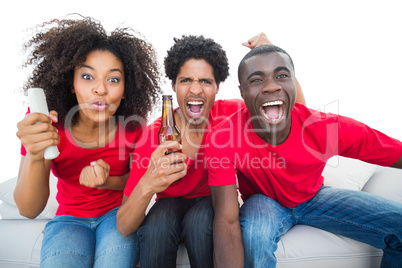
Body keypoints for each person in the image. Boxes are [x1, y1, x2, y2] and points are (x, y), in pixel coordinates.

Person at [116, 33, 305, 267]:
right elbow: (124, 226)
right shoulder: (154, 135)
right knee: (157, 224)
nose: (195, 90)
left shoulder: (231, 115)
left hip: (212, 202)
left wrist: (271, 51)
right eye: (186, 80)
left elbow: (296, 115)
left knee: (199, 221)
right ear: (174, 85)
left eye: (205, 81)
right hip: (168, 206)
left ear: (217, 87)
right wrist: (148, 184)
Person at [206, 44, 402, 268]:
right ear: (242, 92)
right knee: (254, 236)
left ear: (293, 82)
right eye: (257, 79)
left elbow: (390, 151)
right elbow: (228, 222)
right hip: (263, 202)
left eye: (281, 75)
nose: (271, 86)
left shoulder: (323, 127)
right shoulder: (223, 137)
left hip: (314, 198)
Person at [14, 15, 161, 267]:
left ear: (126, 88)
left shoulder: (134, 126)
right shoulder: (48, 122)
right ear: (70, 83)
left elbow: (134, 181)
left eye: (113, 79)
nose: (100, 89)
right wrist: (34, 154)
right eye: (87, 77)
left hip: (117, 214)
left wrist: (106, 181)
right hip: (69, 218)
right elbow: (29, 209)